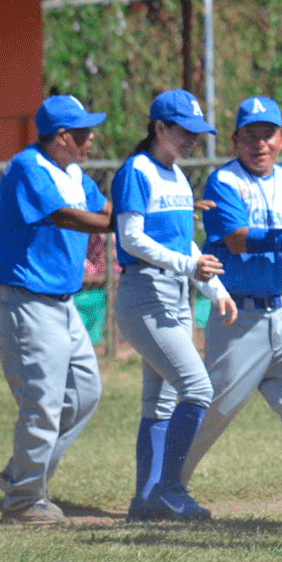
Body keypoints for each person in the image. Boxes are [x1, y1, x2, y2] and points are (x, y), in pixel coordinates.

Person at [180, 96, 282, 510]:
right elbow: (237, 238)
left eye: (268, 134)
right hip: (239, 316)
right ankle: (165, 483)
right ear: (236, 140)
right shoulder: (223, 183)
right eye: (250, 135)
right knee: (213, 407)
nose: (260, 143)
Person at [113, 89, 236, 521]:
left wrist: (215, 290)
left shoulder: (178, 176)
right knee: (198, 388)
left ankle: (145, 502)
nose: (191, 141)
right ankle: (169, 489)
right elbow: (130, 238)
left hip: (175, 294)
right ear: (159, 127)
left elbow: (183, 239)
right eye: (184, 132)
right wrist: (189, 265)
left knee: (161, 404)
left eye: (197, 134)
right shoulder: (137, 170)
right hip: (144, 293)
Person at [0, 95, 111, 526]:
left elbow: (103, 209)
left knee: (84, 393)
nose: (90, 137)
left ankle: (22, 476)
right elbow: (67, 217)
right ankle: (23, 502)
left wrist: (145, 217)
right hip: (29, 301)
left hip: (64, 302)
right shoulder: (28, 167)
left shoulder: (73, 171)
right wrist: (122, 227)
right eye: (82, 132)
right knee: (42, 402)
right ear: (61, 137)